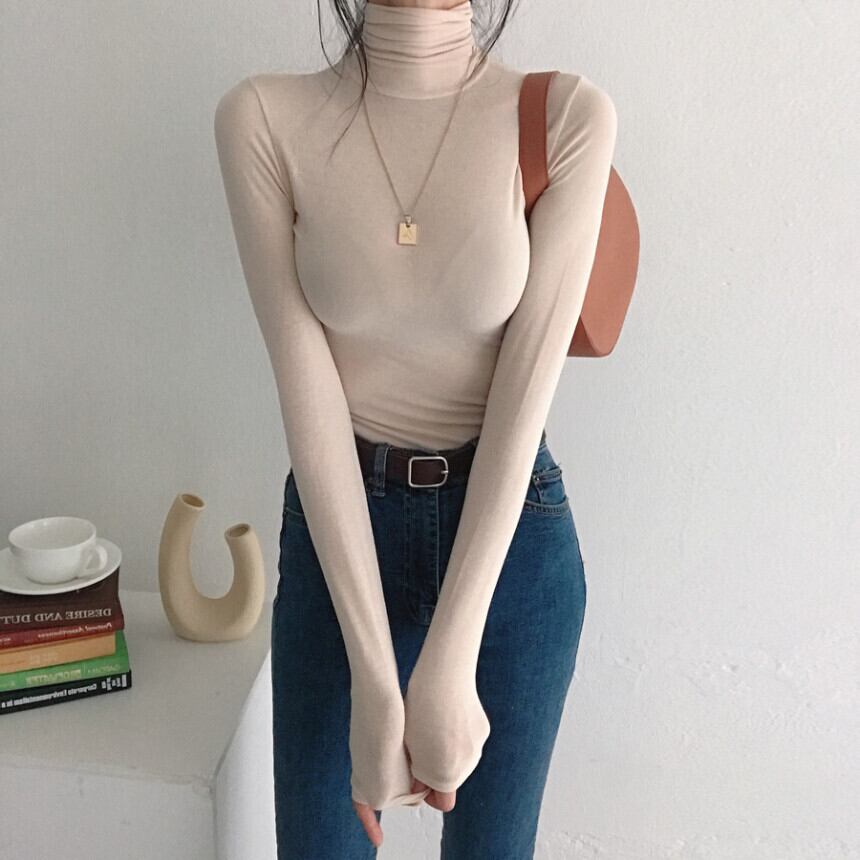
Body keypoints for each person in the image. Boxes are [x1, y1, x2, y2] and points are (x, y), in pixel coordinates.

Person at [213, 1, 617, 856]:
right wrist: (373, 674)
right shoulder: (262, 118)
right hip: (338, 537)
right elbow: (306, 396)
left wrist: (452, 652)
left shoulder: (567, 117)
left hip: (509, 547)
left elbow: (525, 396)